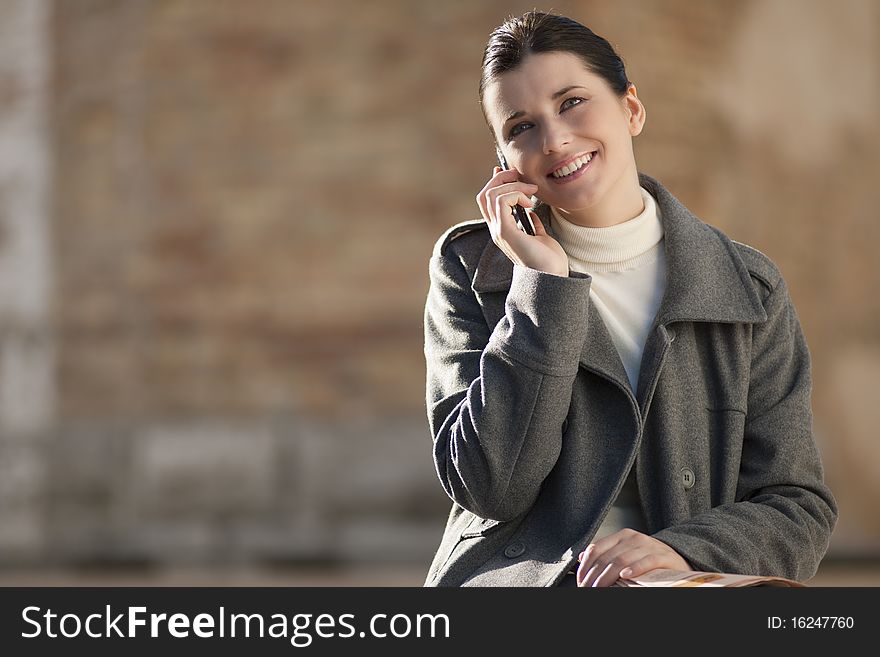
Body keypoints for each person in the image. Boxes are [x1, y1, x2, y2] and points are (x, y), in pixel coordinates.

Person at [422, 10, 837, 587]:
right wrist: (543, 288)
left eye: (572, 102)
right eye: (521, 127)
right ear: (504, 164)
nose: (555, 138)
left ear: (632, 109)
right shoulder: (473, 270)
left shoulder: (749, 286)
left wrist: (683, 552)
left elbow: (796, 504)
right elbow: (490, 486)